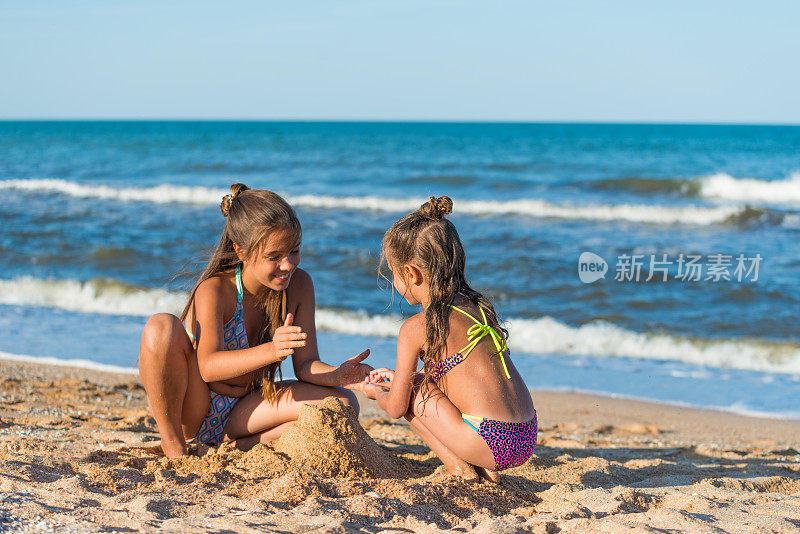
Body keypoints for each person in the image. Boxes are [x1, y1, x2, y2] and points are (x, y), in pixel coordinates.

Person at [138, 183, 372, 457]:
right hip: (194, 405)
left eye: (294, 251)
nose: (288, 265)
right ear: (241, 252)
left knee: (343, 404)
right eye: (274, 257)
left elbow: (306, 364)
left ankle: (235, 446)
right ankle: (173, 444)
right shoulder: (216, 290)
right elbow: (208, 367)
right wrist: (272, 350)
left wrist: (338, 374)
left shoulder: (299, 285)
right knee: (161, 326)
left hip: (244, 408)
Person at [363, 196, 536, 482]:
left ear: (410, 273)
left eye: (393, 274)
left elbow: (395, 408)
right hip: (525, 437)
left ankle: (462, 470)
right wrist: (399, 378)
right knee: (414, 383)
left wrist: (379, 393)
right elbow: (453, 375)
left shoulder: (416, 327)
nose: (394, 281)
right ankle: (481, 468)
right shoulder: (477, 307)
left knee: (409, 392)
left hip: (490, 442)